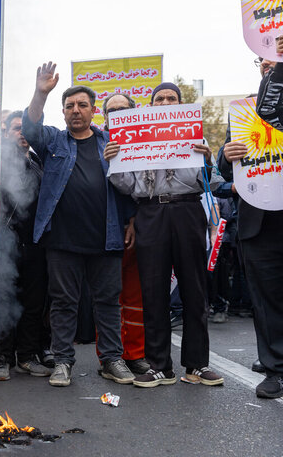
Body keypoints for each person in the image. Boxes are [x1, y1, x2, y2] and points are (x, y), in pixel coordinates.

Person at [21, 61, 135, 387]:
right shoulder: (54, 142)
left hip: (106, 237)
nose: (75, 110)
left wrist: (131, 221)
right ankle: (62, 362)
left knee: (107, 304)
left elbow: (127, 184)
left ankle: (112, 360)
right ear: (63, 112)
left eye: (82, 105)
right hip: (62, 240)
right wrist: (41, 93)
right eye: (69, 105)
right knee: (63, 303)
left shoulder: (111, 142)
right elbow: (30, 130)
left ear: (93, 110)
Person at [106, 82, 224, 388]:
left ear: (180, 104)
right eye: (160, 99)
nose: (165, 102)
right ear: (151, 105)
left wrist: (207, 159)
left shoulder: (194, 136)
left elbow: (210, 181)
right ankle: (160, 366)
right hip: (150, 211)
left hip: (187, 211)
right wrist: (115, 161)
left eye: (172, 98)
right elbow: (127, 186)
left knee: (194, 290)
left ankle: (197, 365)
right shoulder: (134, 138)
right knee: (153, 290)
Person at [219, 52, 283, 398]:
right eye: (263, 61)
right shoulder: (243, 113)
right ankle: (274, 368)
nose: (268, 65)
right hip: (258, 223)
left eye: (275, 59)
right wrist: (227, 156)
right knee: (265, 299)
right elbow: (226, 168)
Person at [0, 111, 51, 381]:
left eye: (24, 129)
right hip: (7, 242)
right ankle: (2, 357)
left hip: (36, 242)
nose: (22, 133)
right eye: (16, 128)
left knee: (33, 302)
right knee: (4, 300)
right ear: (5, 133)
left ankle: (27, 356)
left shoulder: (38, 161)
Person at [100, 93, 150, 375]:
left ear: (133, 111)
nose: (117, 114)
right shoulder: (94, 141)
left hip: (136, 226)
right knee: (107, 296)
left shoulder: (146, 141)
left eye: (123, 109)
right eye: (112, 111)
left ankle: (136, 354)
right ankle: (110, 357)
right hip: (104, 230)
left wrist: (132, 218)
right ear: (105, 118)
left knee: (135, 296)